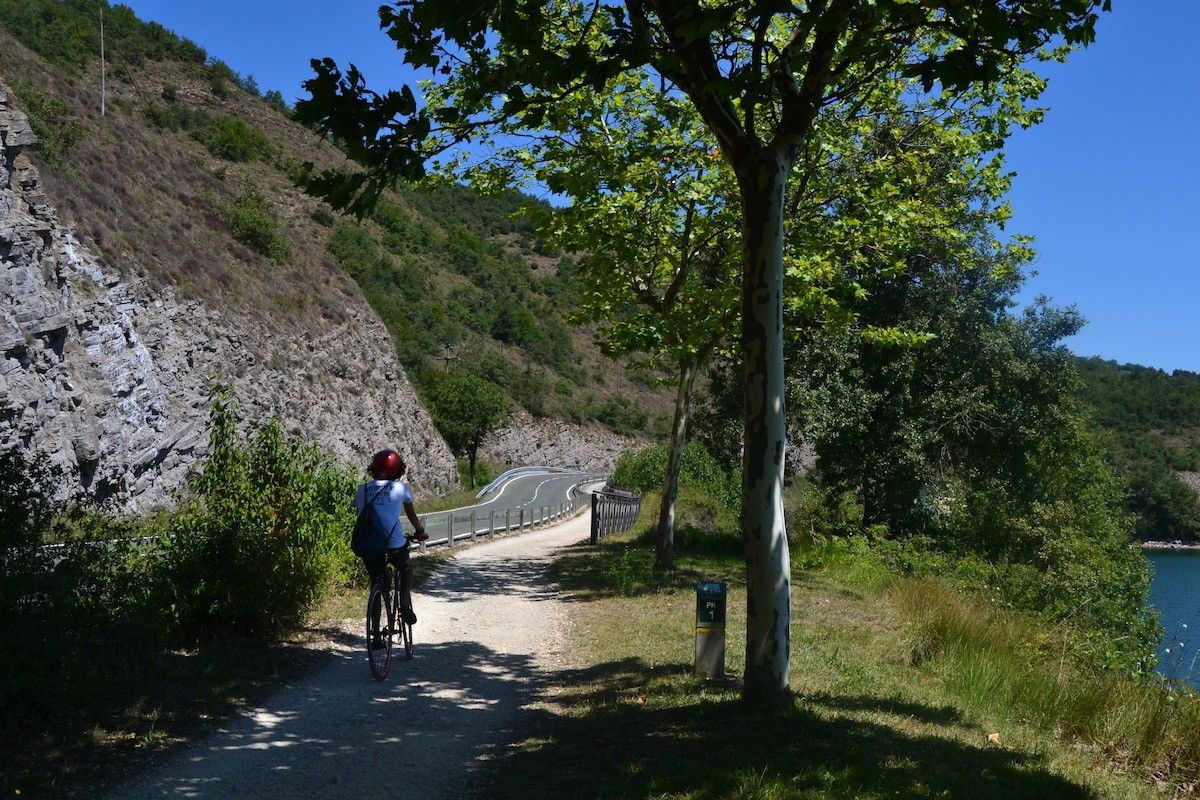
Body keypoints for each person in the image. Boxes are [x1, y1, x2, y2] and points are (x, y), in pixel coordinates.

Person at [353, 449, 428, 646]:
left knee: (376, 582)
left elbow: (361, 513)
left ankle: (376, 636)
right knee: (406, 567)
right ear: (397, 469)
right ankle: (404, 604)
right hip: (393, 543)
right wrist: (419, 531)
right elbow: (411, 516)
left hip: (369, 544)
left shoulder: (362, 490)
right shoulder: (400, 488)